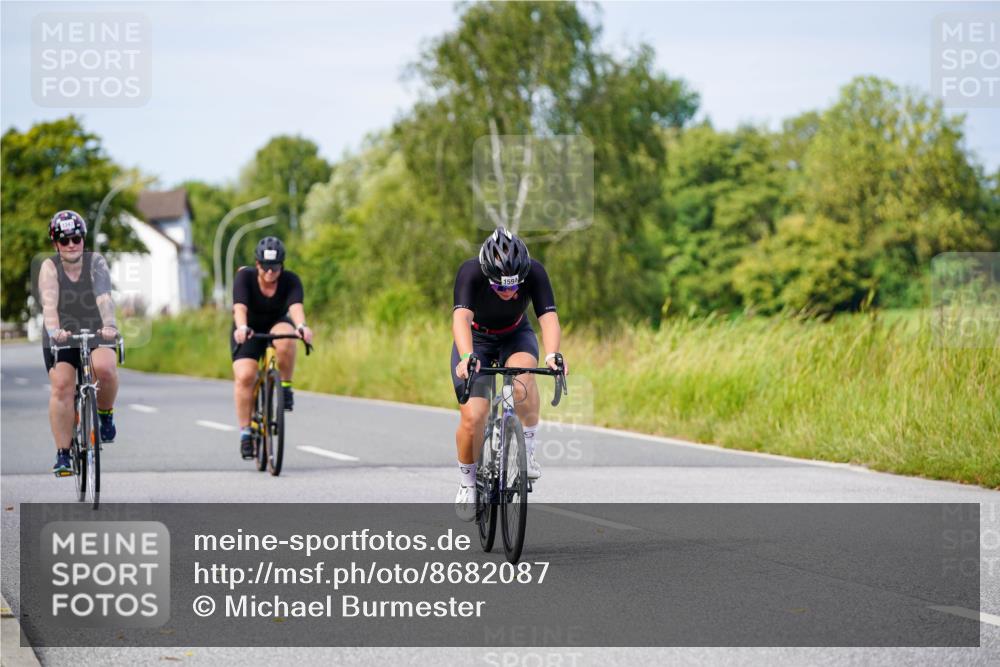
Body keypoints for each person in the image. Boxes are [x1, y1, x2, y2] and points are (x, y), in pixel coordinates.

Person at [451, 226, 567, 521]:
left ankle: (527, 451)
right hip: (476, 341)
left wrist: (552, 354)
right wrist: (466, 356)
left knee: (523, 381)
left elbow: (548, 317)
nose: (508, 292)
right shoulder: (471, 272)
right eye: (500, 287)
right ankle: (467, 483)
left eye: (514, 287)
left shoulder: (535, 272)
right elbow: (461, 318)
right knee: (474, 417)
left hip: (515, 335)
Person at [37, 210, 120, 476]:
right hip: (61, 331)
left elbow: (104, 297)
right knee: (62, 386)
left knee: (105, 368)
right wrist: (55, 331)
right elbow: (50, 305)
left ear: (83, 239)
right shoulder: (50, 268)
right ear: (56, 244)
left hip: (96, 326)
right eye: (64, 240)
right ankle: (63, 453)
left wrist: (110, 326)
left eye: (76, 238)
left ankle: (105, 414)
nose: (71, 244)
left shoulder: (96, 262)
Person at [231, 236, 313, 459]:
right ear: (257, 264)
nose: (270, 272)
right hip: (248, 328)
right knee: (245, 376)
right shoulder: (244, 277)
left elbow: (296, 307)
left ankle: (285, 386)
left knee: (287, 338)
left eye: (275, 267)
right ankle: (246, 432)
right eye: (265, 267)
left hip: (276, 323)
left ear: (282, 265)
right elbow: (240, 307)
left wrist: (302, 326)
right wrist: (241, 327)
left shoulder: (290, 280)